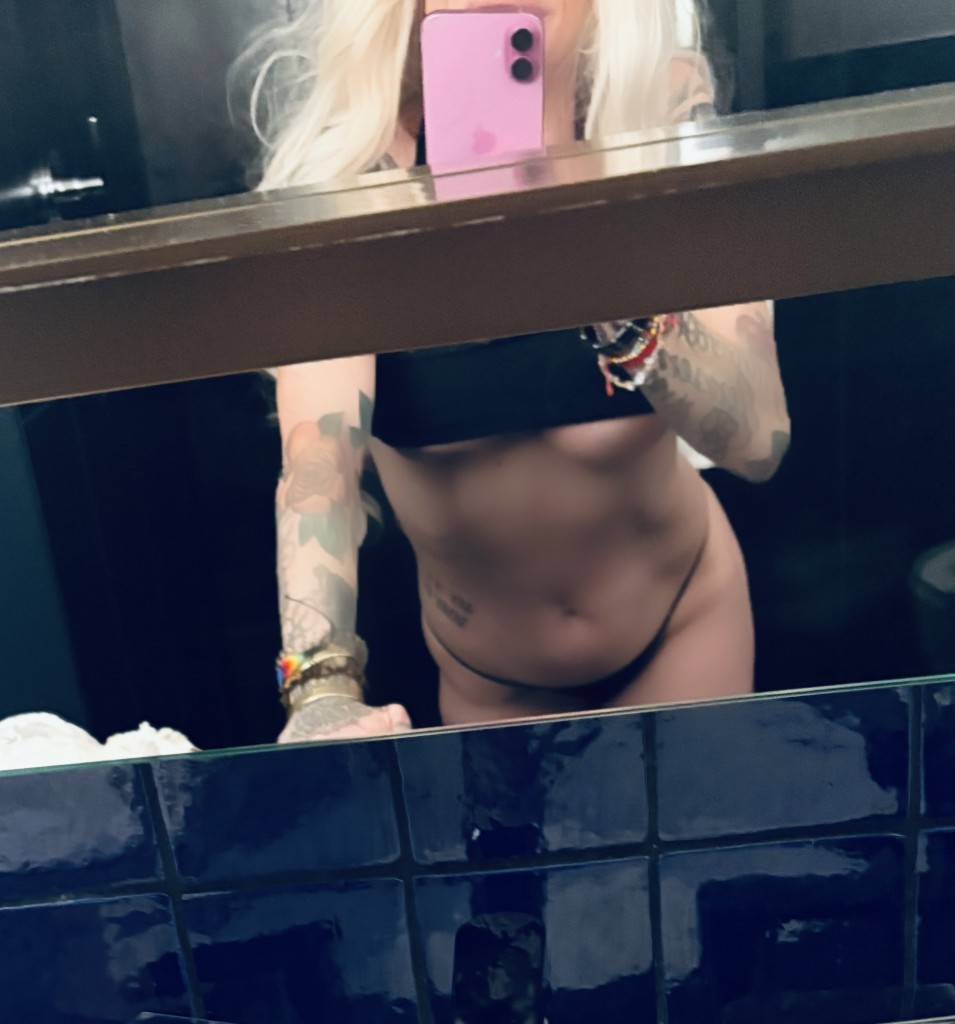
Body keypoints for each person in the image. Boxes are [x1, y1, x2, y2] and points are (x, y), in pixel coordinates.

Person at [252, 0, 791, 743]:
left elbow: (759, 441)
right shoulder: (358, 174)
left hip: (684, 621)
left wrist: (590, 257)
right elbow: (320, 467)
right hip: (492, 682)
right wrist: (321, 691)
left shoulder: (659, 109)